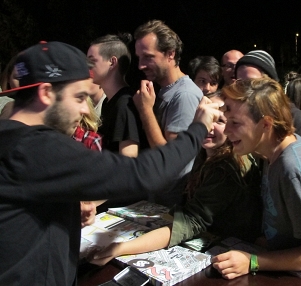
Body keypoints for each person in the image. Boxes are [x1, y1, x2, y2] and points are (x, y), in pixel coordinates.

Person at [0, 41, 221, 286]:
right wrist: (199, 126)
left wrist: (68, 208)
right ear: (46, 93)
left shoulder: (12, 138)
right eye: (79, 97)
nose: (86, 109)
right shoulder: (36, 147)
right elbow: (144, 174)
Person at [89, 91, 263, 266]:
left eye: (220, 121)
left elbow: (190, 222)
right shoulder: (206, 154)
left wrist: (121, 248)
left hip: (232, 255)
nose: (210, 127)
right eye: (208, 118)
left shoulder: (226, 166)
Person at [212, 78, 301, 279]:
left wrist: (254, 261)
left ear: (266, 124)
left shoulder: (295, 171)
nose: (227, 130)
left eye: (235, 123)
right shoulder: (271, 152)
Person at [134, 19, 203, 206]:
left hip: (172, 206)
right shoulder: (165, 90)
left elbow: (172, 161)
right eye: (139, 57)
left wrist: (146, 110)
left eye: (148, 57)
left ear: (170, 54)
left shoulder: (184, 95)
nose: (141, 65)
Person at [234, 50, 301, 148]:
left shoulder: (292, 116)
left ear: (270, 82)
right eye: (240, 83)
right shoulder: (236, 116)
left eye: (252, 82)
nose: (245, 88)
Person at [87, 33, 148, 157]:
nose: (87, 67)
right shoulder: (109, 103)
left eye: (92, 61)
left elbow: (128, 160)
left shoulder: (125, 104)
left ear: (112, 62)